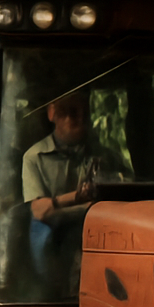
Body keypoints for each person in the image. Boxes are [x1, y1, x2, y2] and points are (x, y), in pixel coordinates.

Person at [21, 90, 126, 295]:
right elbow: (40, 211)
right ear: (52, 113)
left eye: (84, 113)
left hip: (98, 231)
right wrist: (76, 197)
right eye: (70, 112)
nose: (79, 120)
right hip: (53, 238)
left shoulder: (104, 156)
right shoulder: (34, 157)